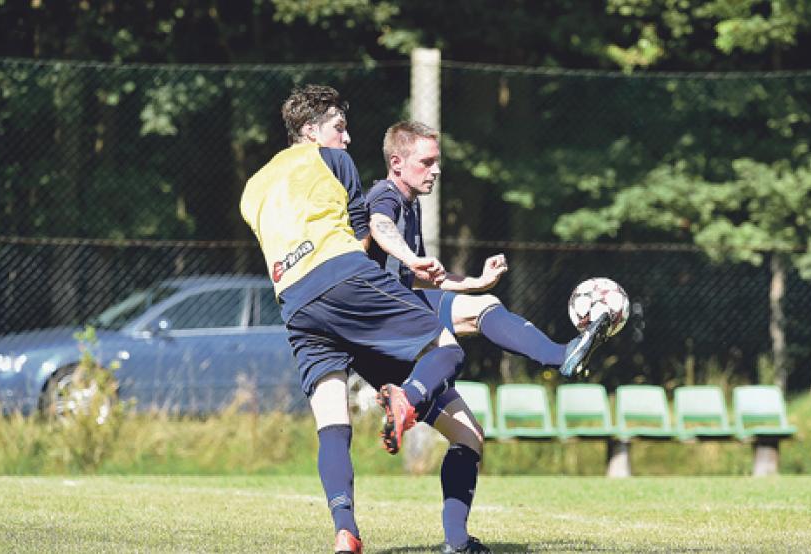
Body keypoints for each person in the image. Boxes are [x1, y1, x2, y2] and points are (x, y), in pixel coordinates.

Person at [239, 85, 485, 554]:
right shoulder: (332, 161)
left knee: (331, 420)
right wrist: (415, 268)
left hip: (294, 302)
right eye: (339, 127)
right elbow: (362, 234)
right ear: (311, 132)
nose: (347, 138)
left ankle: (344, 533)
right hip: (342, 276)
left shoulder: (252, 189)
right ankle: (406, 400)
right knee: (448, 347)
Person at [366, 120, 612, 380]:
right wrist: (412, 258)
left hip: (398, 300)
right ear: (396, 163)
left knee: (485, 306)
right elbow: (380, 224)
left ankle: (562, 355)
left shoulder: (411, 205)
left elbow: (418, 276)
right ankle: (559, 355)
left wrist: (477, 282)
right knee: (445, 355)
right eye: (426, 162)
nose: (436, 170)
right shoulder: (385, 195)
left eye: (437, 161)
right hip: (375, 309)